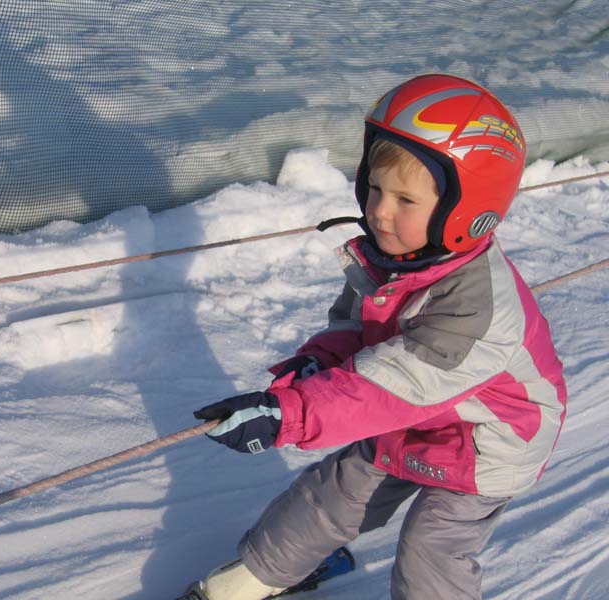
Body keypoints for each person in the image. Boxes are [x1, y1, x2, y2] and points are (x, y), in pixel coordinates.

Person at [179, 74, 567, 600]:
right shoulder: (392, 262)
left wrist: (292, 415)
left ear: (467, 212)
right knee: (333, 495)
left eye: (405, 200)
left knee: (431, 545)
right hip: (414, 415)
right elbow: (353, 330)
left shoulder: (478, 306)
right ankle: (249, 580)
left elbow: (392, 386)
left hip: (489, 439)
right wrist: (317, 367)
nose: (380, 211)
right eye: (375, 189)